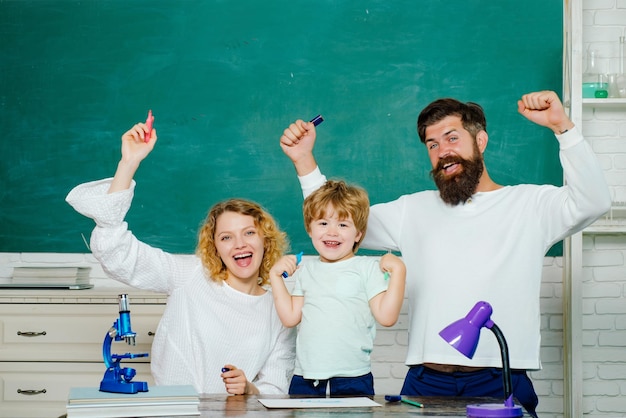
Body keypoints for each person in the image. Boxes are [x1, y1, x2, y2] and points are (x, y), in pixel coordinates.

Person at [278, 91, 611, 416]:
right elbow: (338, 221)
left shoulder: (529, 205)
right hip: (426, 379)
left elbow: (594, 202)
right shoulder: (413, 209)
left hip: (499, 376)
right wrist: (304, 160)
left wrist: (563, 128)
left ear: (480, 141)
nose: (442, 152)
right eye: (432, 144)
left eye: (452, 138)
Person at [66, 119, 295, 395]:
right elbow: (116, 252)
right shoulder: (190, 275)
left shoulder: (280, 307)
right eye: (226, 237)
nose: (239, 244)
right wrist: (128, 163)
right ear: (215, 247)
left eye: (249, 233)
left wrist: (248, 388)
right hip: (173, 410)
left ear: (265, 240)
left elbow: (275, 387)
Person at [269, 179, 406, 396]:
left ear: (358, 234)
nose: (332, 232)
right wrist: (275, 277)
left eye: (343, 225)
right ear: (309, 229)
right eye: (323, 223)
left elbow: (387, 317)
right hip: (305, 378)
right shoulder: (307, 270)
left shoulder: (366, 268)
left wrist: (399, 271)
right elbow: (290, 318)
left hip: (353, 378)